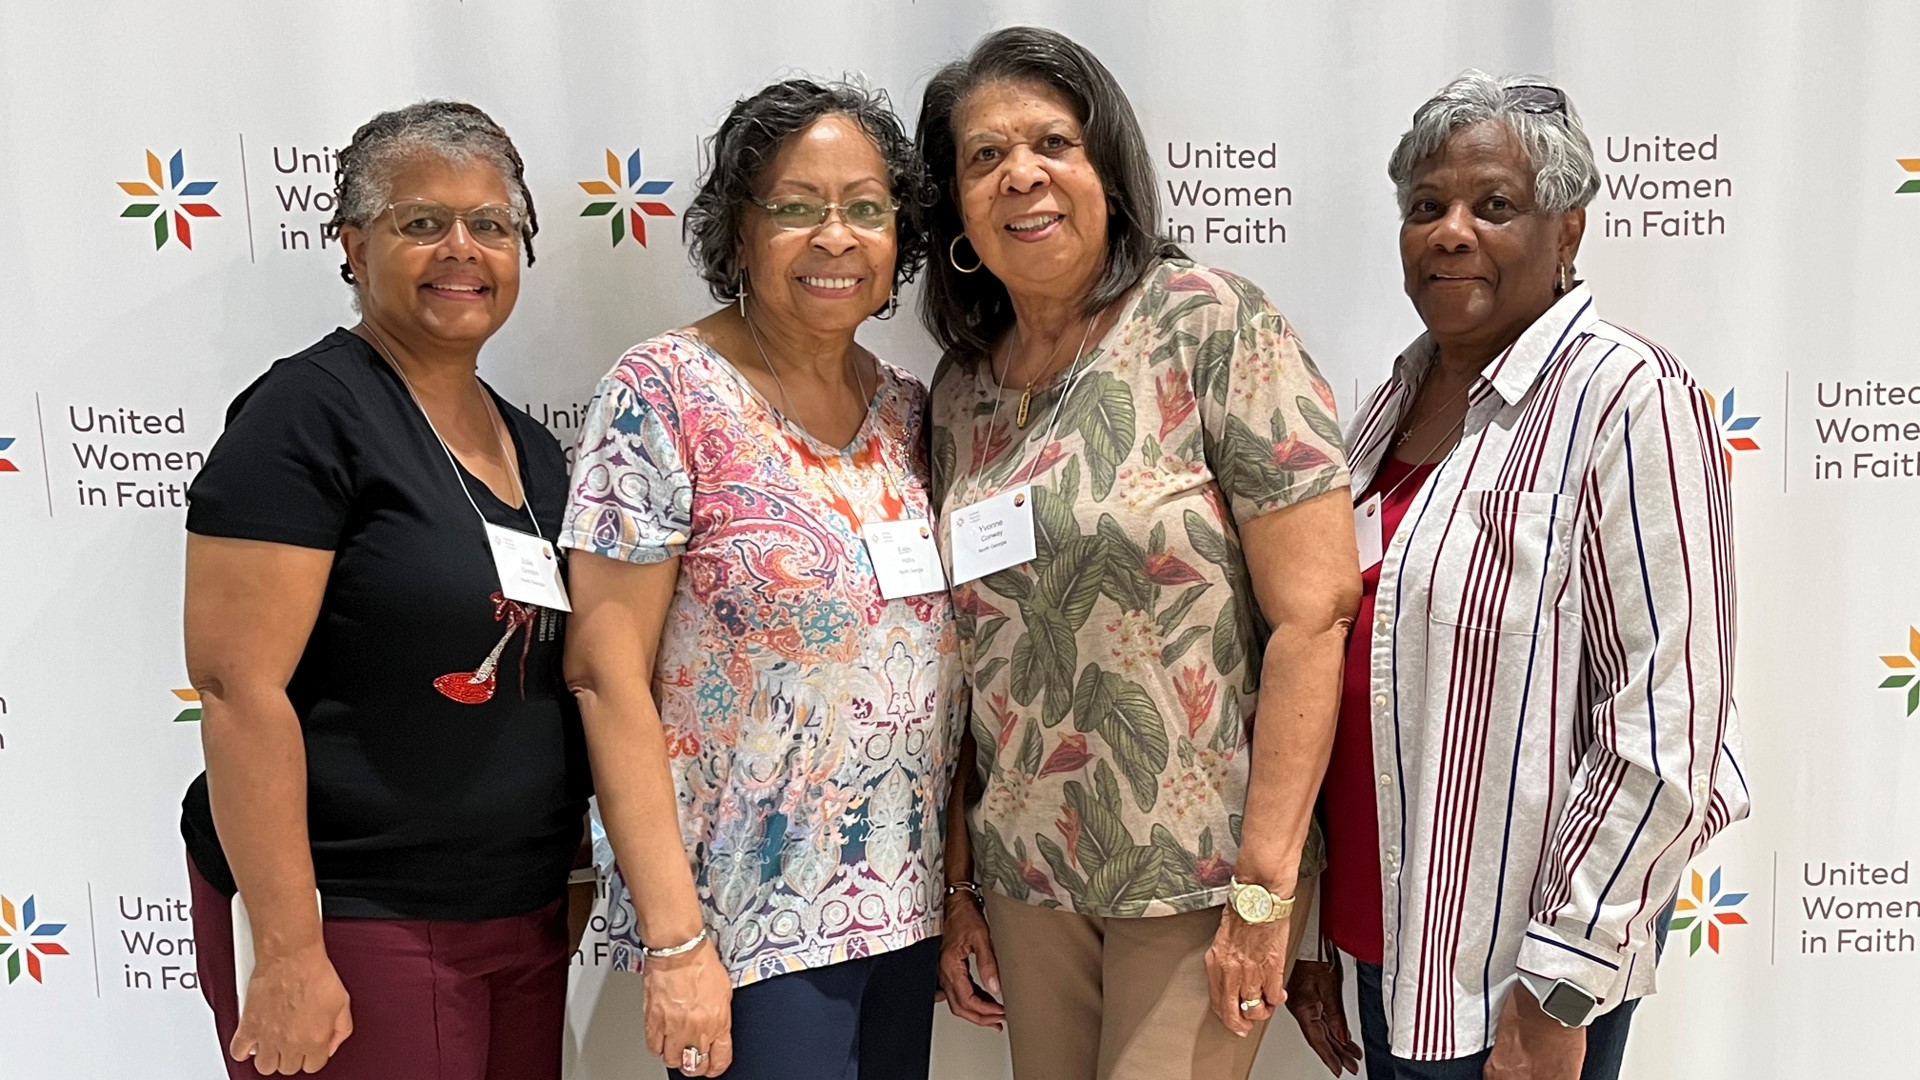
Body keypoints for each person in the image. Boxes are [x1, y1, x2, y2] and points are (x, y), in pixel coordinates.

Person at [1281, 72, 1751, 1080]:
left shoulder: (1629, 398)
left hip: (1510, 971)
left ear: (1568, 233)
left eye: (1494, 206)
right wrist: (1320, 930)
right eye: (1425, 207)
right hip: (1382, 937)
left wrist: (1564, 989)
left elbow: (1670, 726)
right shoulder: (1384, 408)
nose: (1450, 232)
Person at [918, 26, 1361, 1080]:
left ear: (1108, 172)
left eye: (1053, 144)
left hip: (1199, 878)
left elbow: (1314, 615)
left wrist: (1266, 891)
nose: (1020, 173)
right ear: (960, 214)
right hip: (1030, 881)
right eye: (984, 157)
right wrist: (962, 885)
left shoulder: (1211, 325)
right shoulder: (960, 396)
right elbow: (970, 661)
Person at [558, 79, 961, 1080]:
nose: (836, 236)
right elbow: (606, 677)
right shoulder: (663, 394)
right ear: (738, 231)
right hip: (747, 925)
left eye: (866, 208)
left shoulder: (910, 412)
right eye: (796, 206)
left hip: (903, 912)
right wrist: (676, 941)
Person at [180, 101, 591, 1080]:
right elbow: (238, 688)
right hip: (358, 914)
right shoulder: (306, 417)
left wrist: (569, 866)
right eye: (423, 222)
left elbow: (549, 681)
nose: (463, 248)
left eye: (492, 224)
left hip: (519, 911)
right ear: (354, 246)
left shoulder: (532, 449)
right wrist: (286, 949)